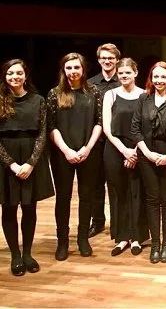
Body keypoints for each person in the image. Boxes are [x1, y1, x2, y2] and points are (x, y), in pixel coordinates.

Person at [0, 59, 53, 275]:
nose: (15, 77)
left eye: (19, 73)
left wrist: (31, 162)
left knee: (30, 208)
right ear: (4, 76)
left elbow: (42, 133)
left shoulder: (38, 100)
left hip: (31, 157)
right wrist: (11, 164)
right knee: (9, 208)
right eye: (10, 73)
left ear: (25, 75)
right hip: (6, 160)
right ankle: (15, 255)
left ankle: (28, 253)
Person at [48, 53, 103, 261]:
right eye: (69, 68)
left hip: (89, 152)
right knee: (63, 198)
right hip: (63, 153)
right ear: (64, 70)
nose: (73, 72)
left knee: (87, 196)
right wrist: (67, 150)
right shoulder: (54, 94)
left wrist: (87, 148)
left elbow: (99, 122)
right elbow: (51, 126)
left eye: (76, 68)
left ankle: (82, 239)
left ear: (83, 69)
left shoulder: (94, 92)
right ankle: (62, 241)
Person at [131, 61, 166, 263]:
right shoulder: (143, 99)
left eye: (164, 77)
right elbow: (135, 129)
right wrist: (147, 153)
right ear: (150, 79)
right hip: (147, 155)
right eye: (156, 77)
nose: (159, 80)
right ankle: (155, 244)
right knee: (153, 200)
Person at [102, 58, 149, 256]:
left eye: (127, 72)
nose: (123, 76)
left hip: (138, 148)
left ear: (136, 73)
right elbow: (107, 128)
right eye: (121, 73)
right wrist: (124, 151)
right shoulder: (110, 95)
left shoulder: (145, 95)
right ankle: (122, 238)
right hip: (115, 149)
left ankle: (137, 237)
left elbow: (147, 127)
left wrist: (135, 152)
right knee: (118, 192)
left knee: (138, 193)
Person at [88, 43, 121, 238]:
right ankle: (98, 221)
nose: (107, 61)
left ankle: (118, 223)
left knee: (116, 185)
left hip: (117, 141)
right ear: (99, 60)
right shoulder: (91, 84)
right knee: (95, 185)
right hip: (96, 141)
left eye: (111, 58)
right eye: (104, 58)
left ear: (117, 59)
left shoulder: (125, 81)